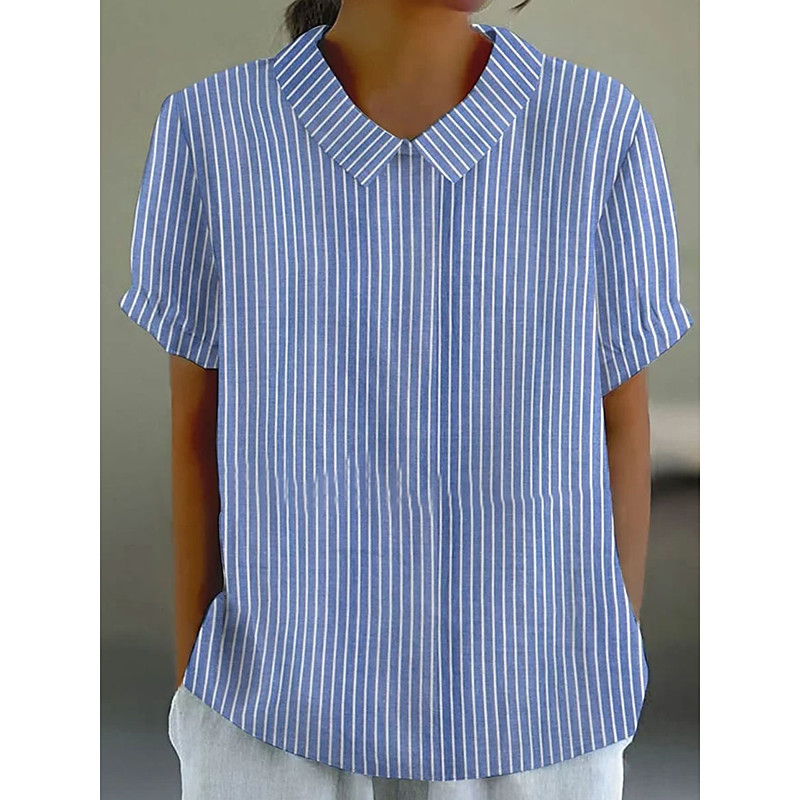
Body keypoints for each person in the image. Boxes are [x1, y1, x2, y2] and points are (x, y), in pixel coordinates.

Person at [118, 0, 694, 798]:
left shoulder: (599, 131)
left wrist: (601, 664)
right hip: (270, 722)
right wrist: (204, 702)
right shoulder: (213, 132)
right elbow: (197, 433)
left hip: (542, 725)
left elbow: (620, 428)